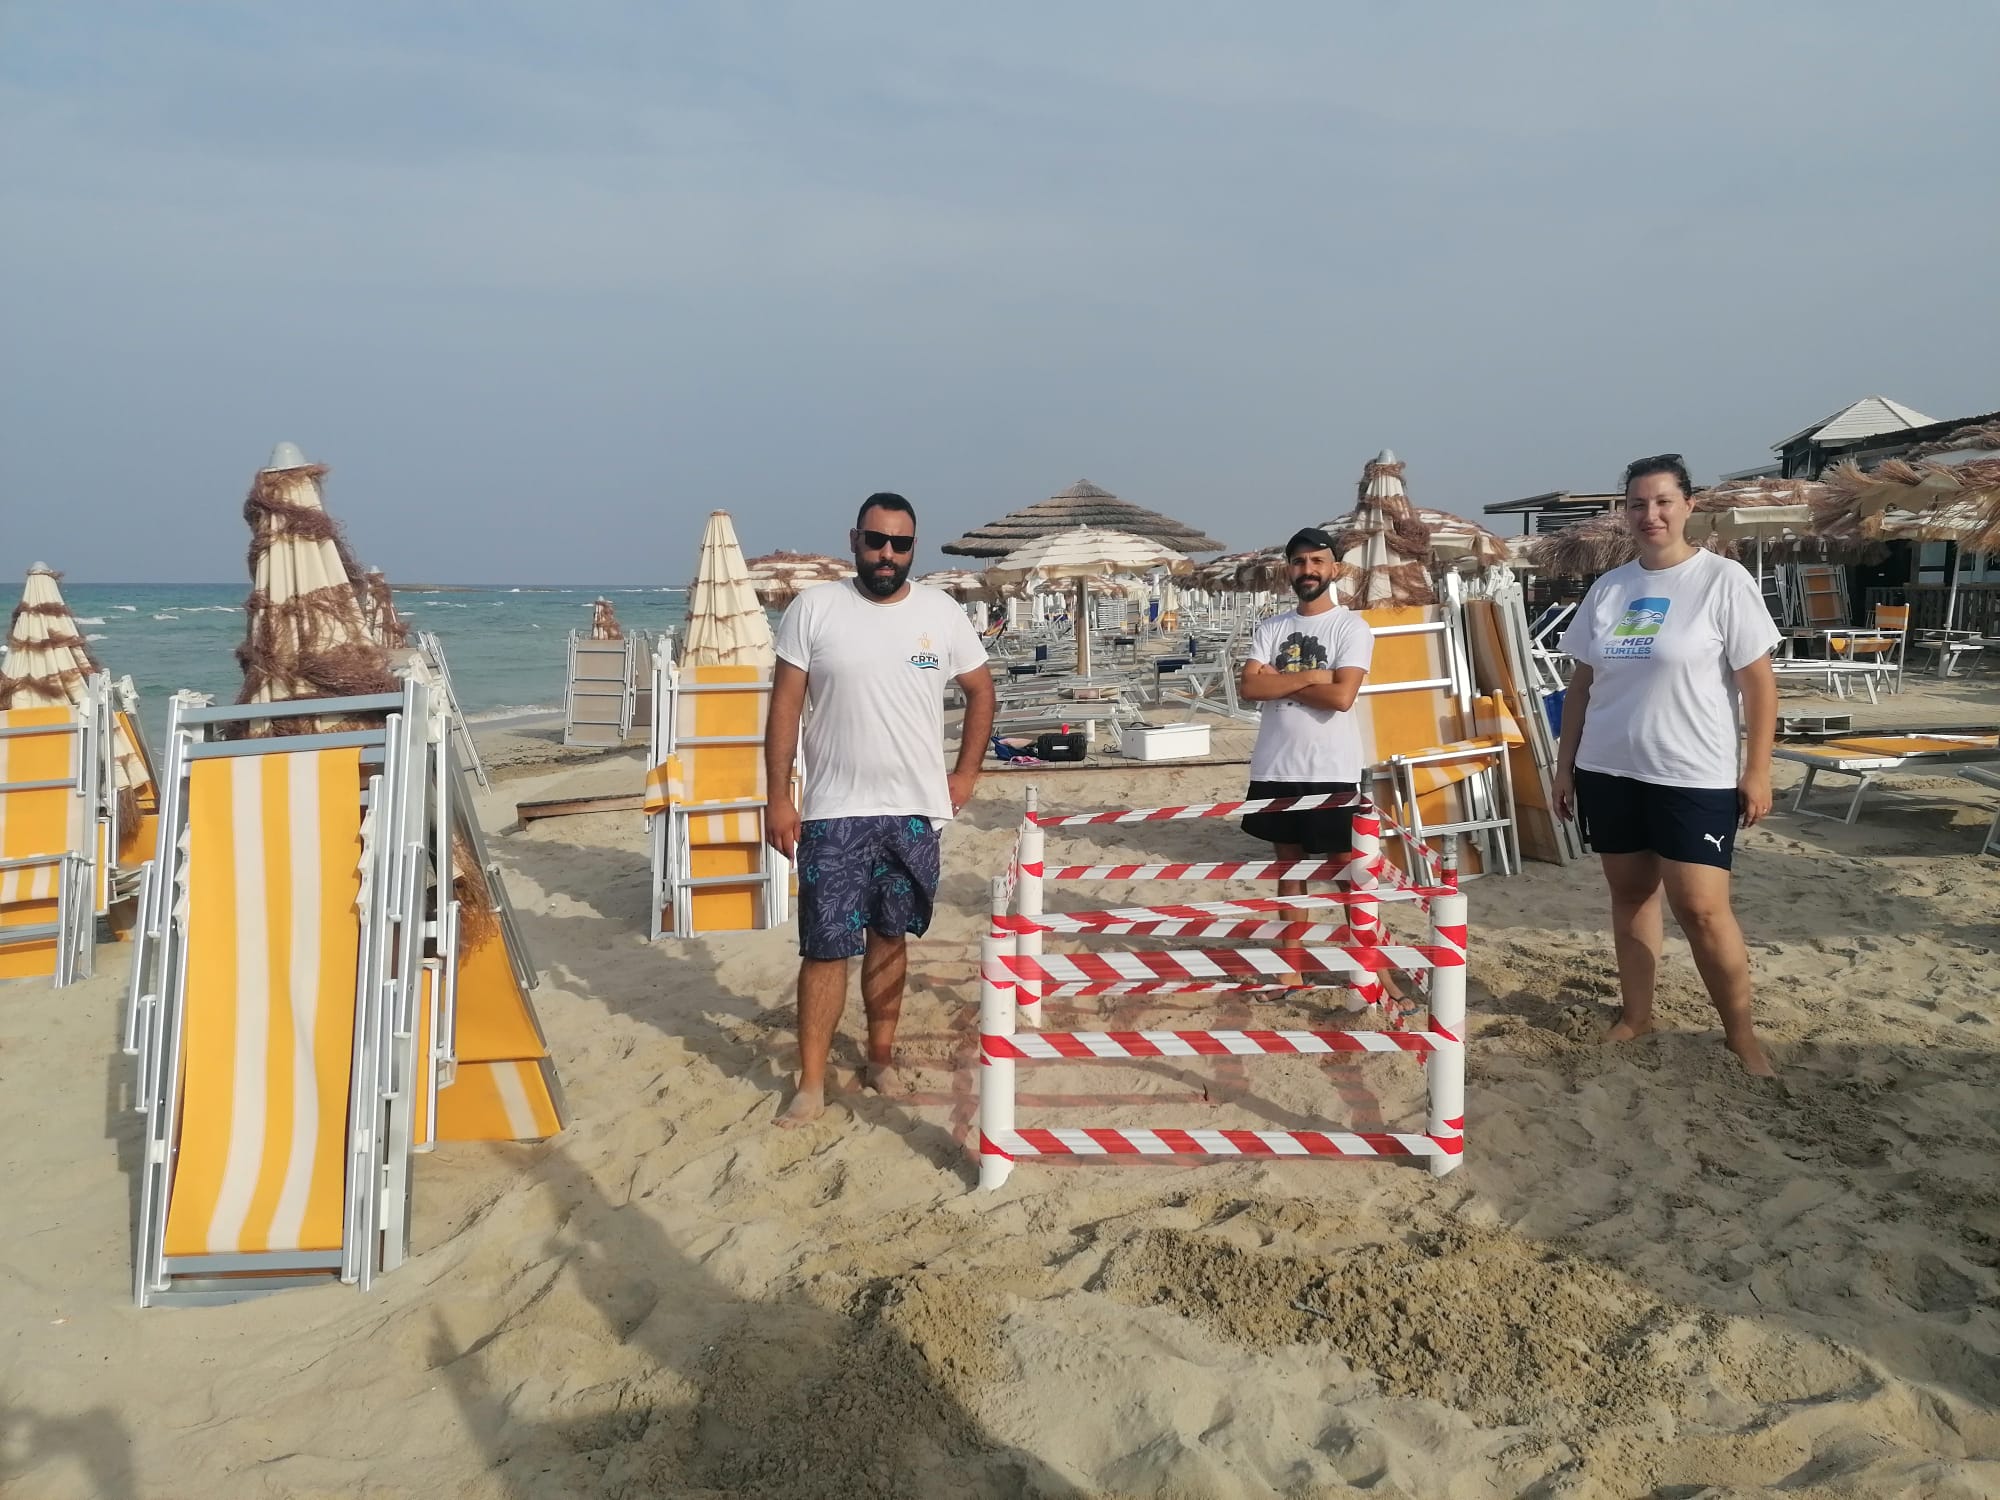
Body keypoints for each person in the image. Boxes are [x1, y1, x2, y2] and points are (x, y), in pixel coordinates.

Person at [764, 492, 997, 1127]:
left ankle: (880, 1058)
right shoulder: (815, 609)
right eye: (876, 540)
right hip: (833, 809)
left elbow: (981, 691)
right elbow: (785, 707)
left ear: (912, 548)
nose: (887, 554)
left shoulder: (941, 614)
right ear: (854, 540)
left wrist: (966, 772)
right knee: (825, 946)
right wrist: (778, 796)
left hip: (914, 810)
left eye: (900, 544)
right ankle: (811, 1083)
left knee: (890, 935)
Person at [1552, 454, 1780, 1077]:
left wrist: (1756, 770)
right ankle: (1636, 1014)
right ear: (1624, 512)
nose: (1649, 514)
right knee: (1630, 896)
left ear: (1687, 506)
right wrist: (1564, 764)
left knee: (1703, 908)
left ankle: (1740, 1035)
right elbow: (1581, 685)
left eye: (1661, 502)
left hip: (1692, 773)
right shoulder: (1609, 588)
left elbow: (1759, 684)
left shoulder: (1722, 580)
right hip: (1609, 768)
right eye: (1636, 504)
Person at [1237, 527, 1374, 894]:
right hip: (1275, 766)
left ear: (1335, 569)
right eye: (1299, 562)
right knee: (1288, 867)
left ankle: (1361, 947)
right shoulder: (1271, 627)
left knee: (1343, 866)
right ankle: (1290, 952)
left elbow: (1342, 698)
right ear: (1289, 570)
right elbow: (1250, 687)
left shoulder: (1351, 627)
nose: (1307, 569)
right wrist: (1314, 677)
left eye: (1317, 560)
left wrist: (1279, 678)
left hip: (1330, 766)